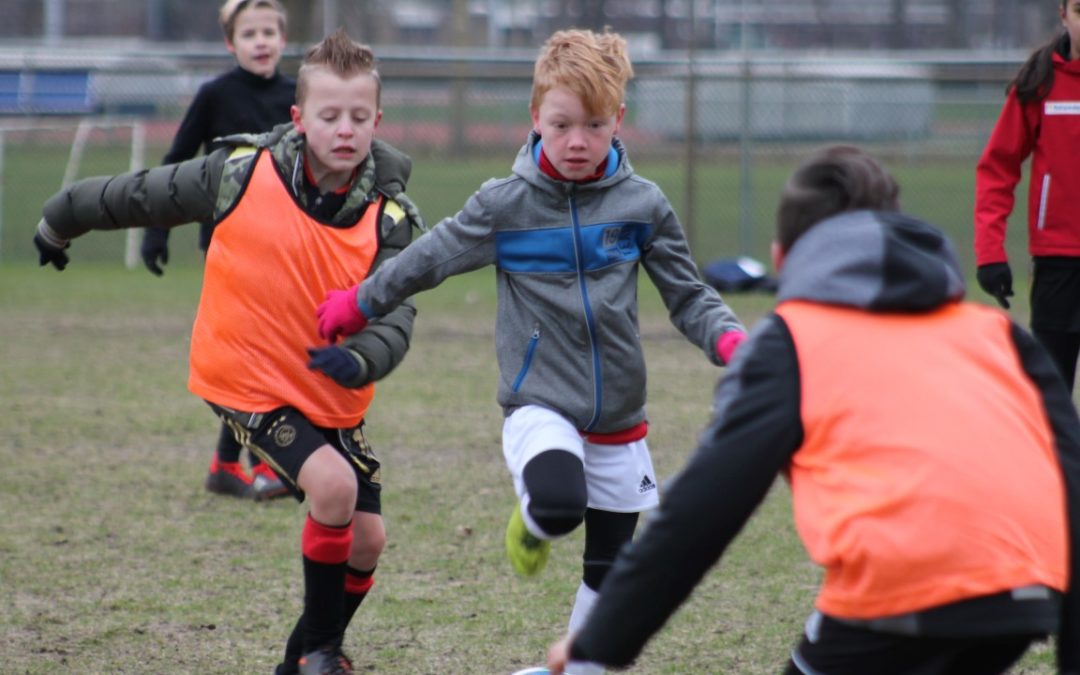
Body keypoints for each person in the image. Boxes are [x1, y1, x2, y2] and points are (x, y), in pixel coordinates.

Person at [543, 145, 1080, 675]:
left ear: (781, 260)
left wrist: (603, 640)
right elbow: (1072, 486)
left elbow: (703, 508)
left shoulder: (791, 342)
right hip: (1021, 593)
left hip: (899, 591)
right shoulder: (999, 334)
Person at [315, 27, 747, 675]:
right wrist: (361, 301)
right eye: (562, 123)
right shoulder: (506, 204)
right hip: (539, 402)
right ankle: (535, 523)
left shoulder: (642, 205)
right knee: (557, 503)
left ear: (618, 121)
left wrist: (732, 342)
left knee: (613, 575)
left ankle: (576, 666)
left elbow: (690, 296)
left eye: (594, 126)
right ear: (535, 117)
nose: (577, 141)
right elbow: (429, 259)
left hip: (620, 419)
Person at [34, 29, 424, 675]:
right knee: (334, 486)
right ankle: (323, 655)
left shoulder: (390, 216)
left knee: (367, 538)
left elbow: (398, 311)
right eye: (330, 116)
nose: (346, 129)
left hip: (330, 390)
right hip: (245, 376)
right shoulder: (239, 172)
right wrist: (60, 215)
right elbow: (140, 193)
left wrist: (361, 358)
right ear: (299, 119)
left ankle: (297, 660)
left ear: (378, 121)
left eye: (359, 117)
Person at [143, 0, 298, 500]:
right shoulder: (214, 95)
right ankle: (259, 461)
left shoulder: (300, 95)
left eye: (269, 31)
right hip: (228, 243)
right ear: (231, 43)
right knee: (243, 355)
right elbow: (175, 162)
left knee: (271, 354)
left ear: (283, 38)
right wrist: (157, 229)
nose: (261, 41)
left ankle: (228, 464)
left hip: (286, 248)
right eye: (249, 33)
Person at [975, 0, 1080, 393]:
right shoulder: (1040, 85)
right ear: (1063, 15)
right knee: (1048, 399)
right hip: (1058, 264)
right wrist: (990, 253)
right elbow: (997, 169)